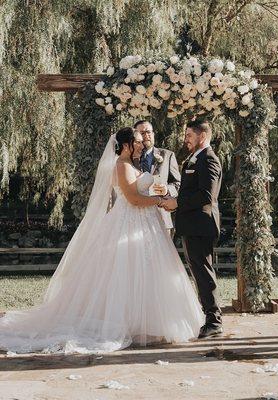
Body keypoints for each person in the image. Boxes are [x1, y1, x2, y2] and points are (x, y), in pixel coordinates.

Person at [0, 128, 204, 354]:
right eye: (136, 141)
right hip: (129, 222)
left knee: (150, 272)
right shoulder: (121, 165)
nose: (141, 144)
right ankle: (127, 324)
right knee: (124, 272)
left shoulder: (133, 164)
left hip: (146, 226)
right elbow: (134, 199)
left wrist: (160, 194)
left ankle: (149, 323)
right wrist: (162, 201)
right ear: (125, 145)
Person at [161, 120, 223, 339]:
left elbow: (208, 196)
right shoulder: (195, 158)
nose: (185, 138)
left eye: (189, 134)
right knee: (199, 273)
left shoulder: (209, 159)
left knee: (204, 273)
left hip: (201, 226)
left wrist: (177, 203)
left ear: (202, 136)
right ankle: (208, 316)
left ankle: (214, 321)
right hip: (191, 226)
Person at [134, 120, 180, 235]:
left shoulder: (167, 155)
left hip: (162, 216)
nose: (146, 135)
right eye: (142, 133)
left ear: (153, 134)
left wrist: (167, 189)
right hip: (135, 217)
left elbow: (178, 183)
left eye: (149, 132)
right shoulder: (129, 158)